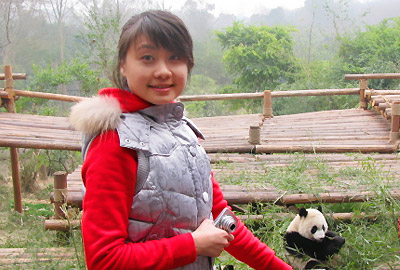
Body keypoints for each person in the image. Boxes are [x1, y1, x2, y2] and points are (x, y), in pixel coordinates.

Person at [69, 10, 292, 270]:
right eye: (148, 58)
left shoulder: (182, 130)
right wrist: (192, 246)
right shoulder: (114, 144)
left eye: (175, 58)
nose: (163, 71)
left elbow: (221, 217)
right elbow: (104, 260)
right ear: (123, 64)